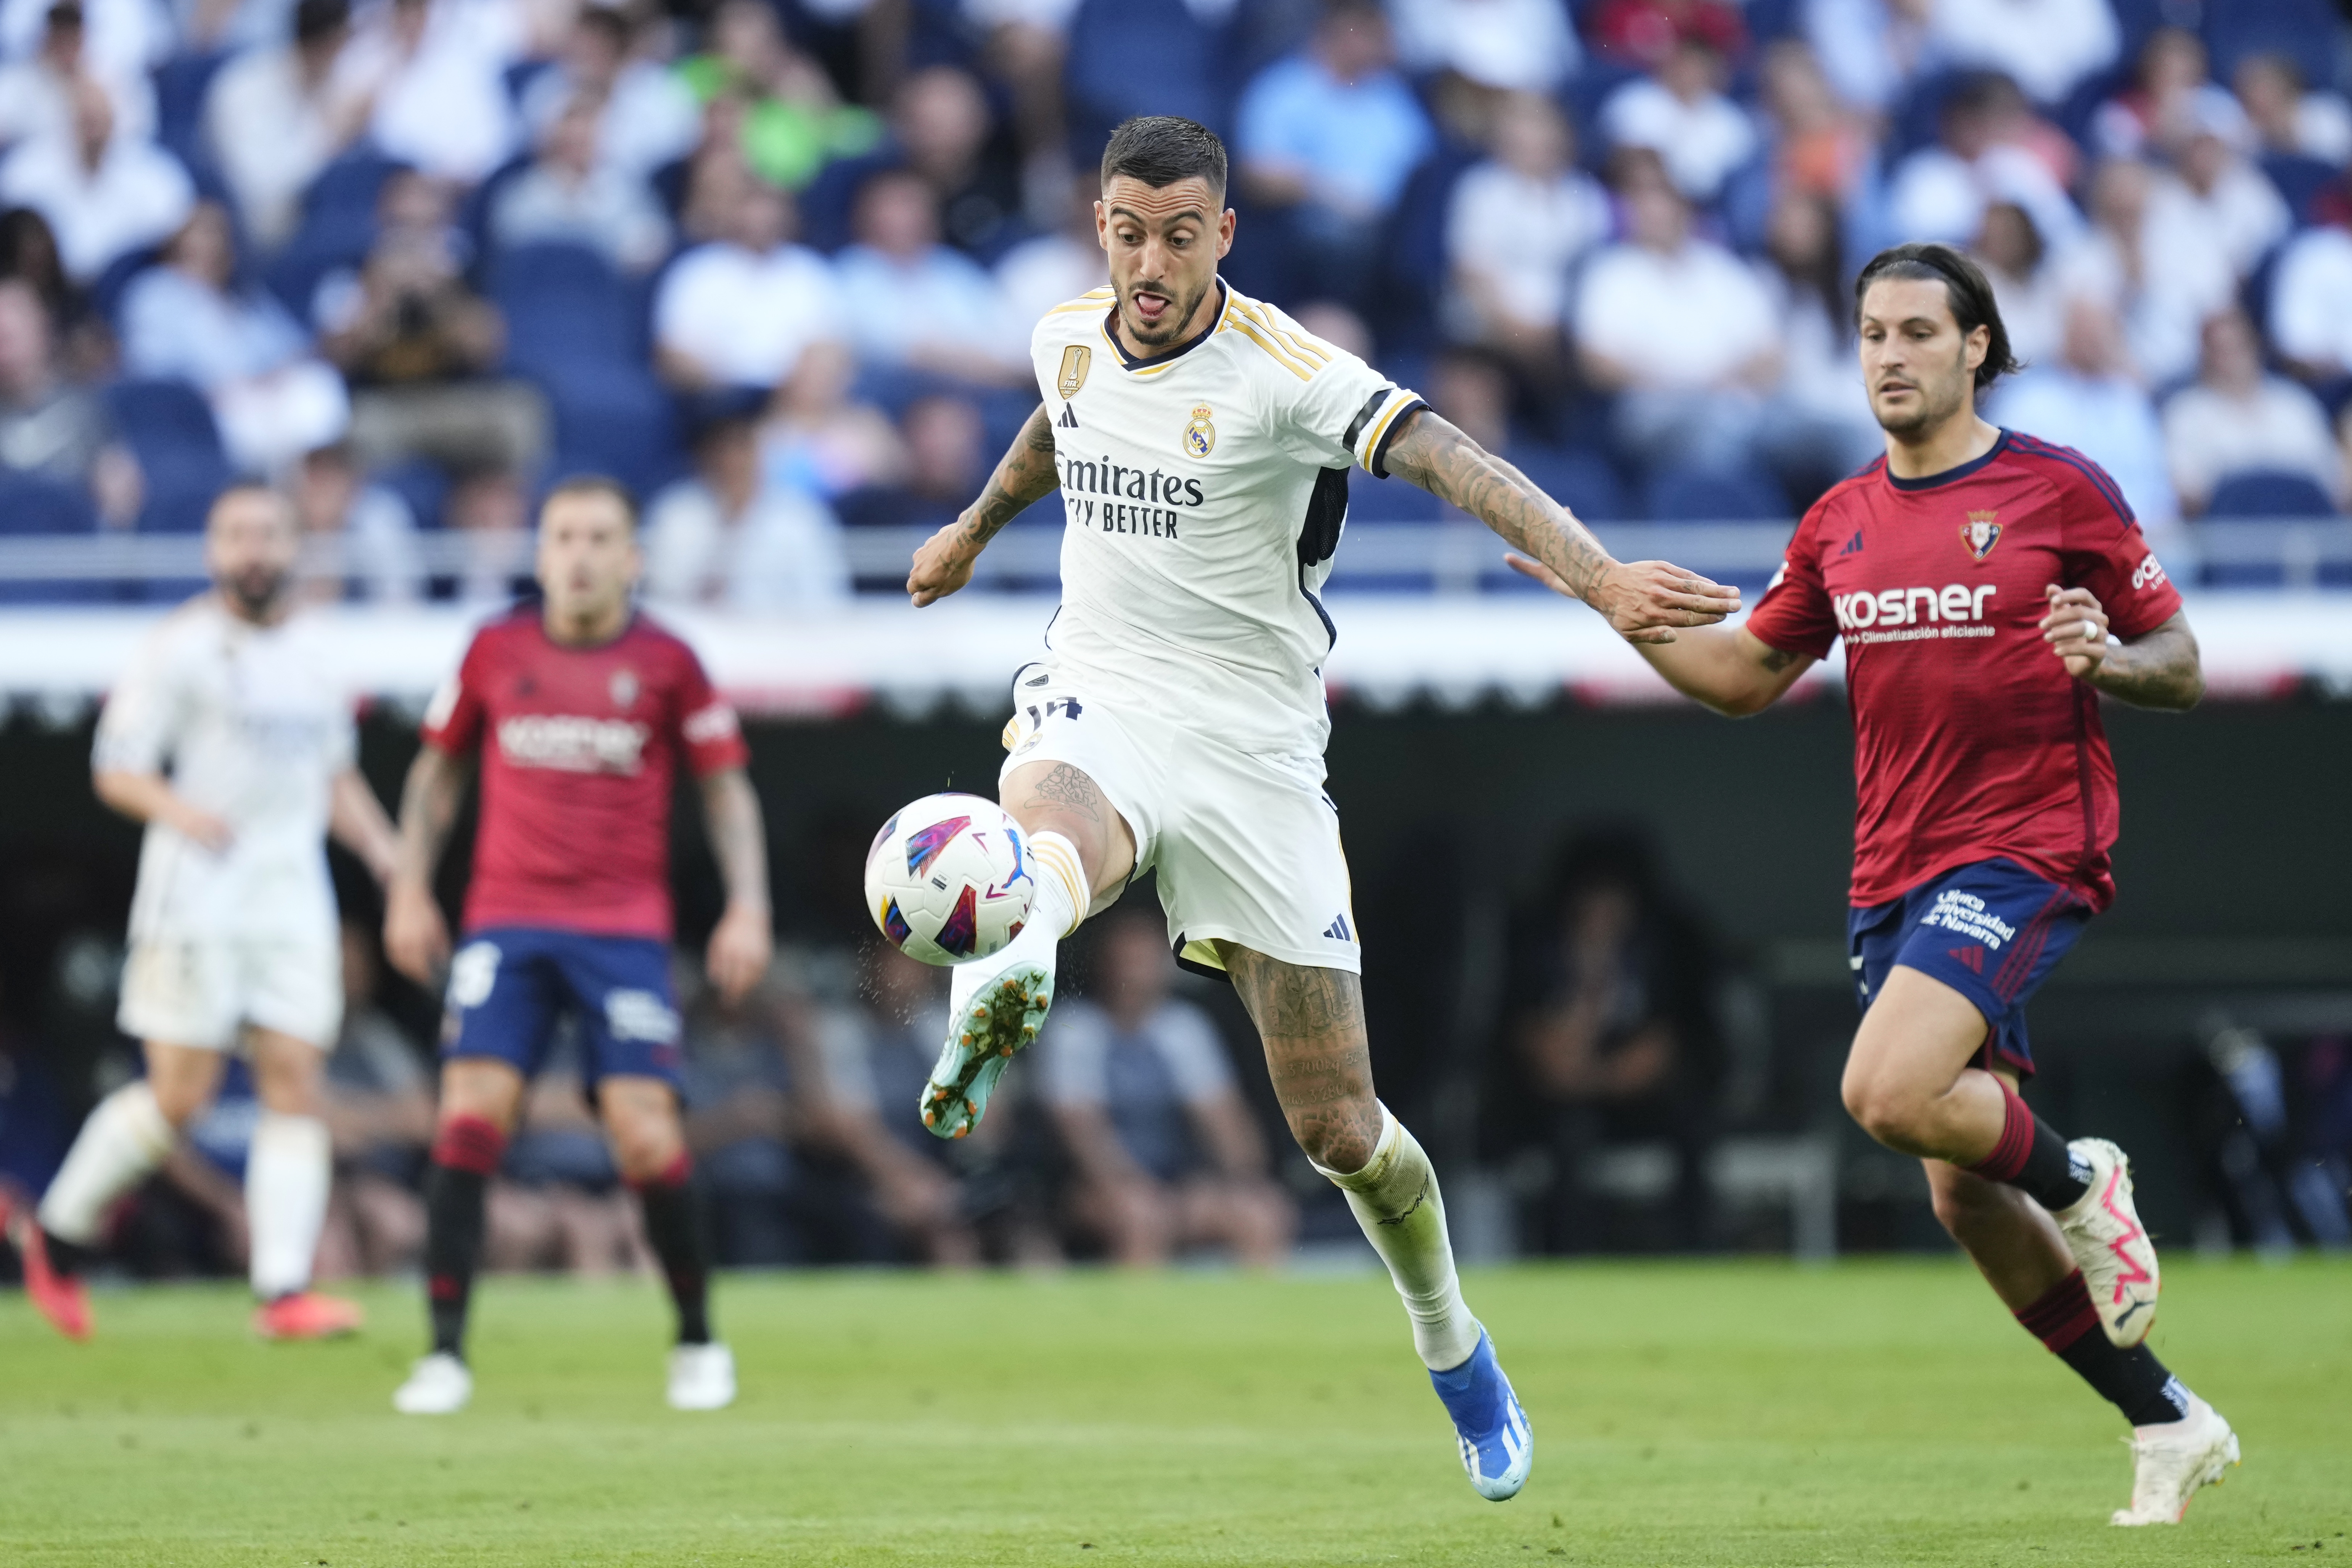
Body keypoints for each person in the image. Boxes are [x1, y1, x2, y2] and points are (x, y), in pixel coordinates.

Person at [901, 114, 1737, 1502]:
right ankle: (1007, 964)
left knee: (1339, 1128)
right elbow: (1059, 423)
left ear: (1221, 233)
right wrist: (972, 530)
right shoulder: (1063, 333)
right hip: (1098, 689)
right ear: (1098, 228)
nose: (1150, 261)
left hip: (1256, 749)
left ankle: (1454, 1346)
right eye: (1126, 231)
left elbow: (1456, 459)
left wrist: (1595, 577)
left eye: (1178, 234)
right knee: (1045, 824)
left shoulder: (1290, 372)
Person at [1509, 241, 2237, 1527]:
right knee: (1958, 1190)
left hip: (2023, 847)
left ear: (1974, 348)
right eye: (1869, 335)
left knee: (1882, 1089)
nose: (1888, 356)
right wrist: (1600, 594)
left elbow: (2174, 657)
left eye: (1915, 332)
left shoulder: (2057, 491)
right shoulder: (1837, 521)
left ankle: (2084, 1182)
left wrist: (2103, 661)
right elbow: (1740, 678)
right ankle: (2163, 1418)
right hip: (1889, 875)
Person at [381, 475, 773, 1417]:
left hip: (622, 929)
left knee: (645, 1134)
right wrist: (405, 888)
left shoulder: (671, 661)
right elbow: (436, 774)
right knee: (467, 1118)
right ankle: (443, 1354)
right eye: (564, 537)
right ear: (541, 551)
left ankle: (694, 1337)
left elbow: (724, 791)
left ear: (632, 558)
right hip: (505, 921)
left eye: (601, 537)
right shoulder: (491, 647)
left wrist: (746, 907)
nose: (582, 554)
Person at [5, 485, 400, 1342]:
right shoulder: (177, 650)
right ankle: (61, 1234)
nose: (250, 550)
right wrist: (183, 813)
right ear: (213, 551)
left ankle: (282, 1290)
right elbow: (117, 769)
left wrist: (383, 851)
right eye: (233, 535)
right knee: (180, 1098)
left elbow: (332, 779)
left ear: (295, 546)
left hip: (293, 901)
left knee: (295, 1079)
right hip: (198, 902)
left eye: (266, 533)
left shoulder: (319, 657)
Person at [1039, 911, 1294, 1267]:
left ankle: (1257, 1321)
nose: (1135, 976)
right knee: (1142, 1215)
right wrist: (1137, 1187)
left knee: (1262, 1212)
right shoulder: (1075, 1029)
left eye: (1145, 963)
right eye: (1126, 963)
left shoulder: (1185, 1028)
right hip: (1094, 1190)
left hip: (1178, 1185)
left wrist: (1238, 1179)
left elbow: (1226, 1124)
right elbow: (1082, 1132)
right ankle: (1139, 1322)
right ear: (1103, 967)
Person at [119, 199, 351, 473]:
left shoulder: (242, 297)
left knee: (320, 385)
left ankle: (319, 483)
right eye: (202, 232)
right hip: (209, 408)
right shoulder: (155, 292)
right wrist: (213, 393)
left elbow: (294, 349)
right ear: (178, 241)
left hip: (263, 396)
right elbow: (152, 370)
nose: (211, 243)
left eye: (218, 233)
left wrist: (272, 378)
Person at [201, 0, 371, 251]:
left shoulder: (341, 85)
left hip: (323, 229)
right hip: (258, 239)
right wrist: (326, 134)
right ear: (328, 43)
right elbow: (262, 193)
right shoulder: (244, 90)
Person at [2159, 309, 2343, 515]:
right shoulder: (2186, 414)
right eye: (2220, 350)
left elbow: (2334, 485)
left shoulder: (2296, 405)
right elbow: (2187, 493)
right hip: (2226, 538)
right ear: (2205, 355)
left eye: (2238, 347)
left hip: (2302, 537)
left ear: (2255, 348)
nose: (2230, 359)